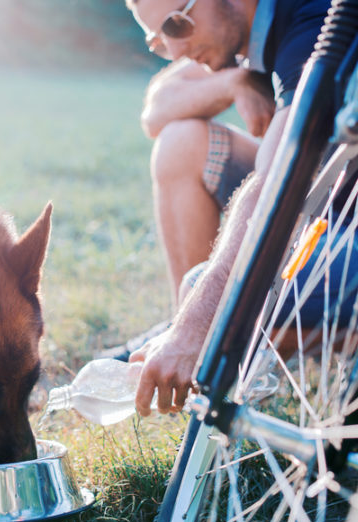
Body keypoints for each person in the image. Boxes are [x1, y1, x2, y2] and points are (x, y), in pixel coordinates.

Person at [124, 0, 333, 416]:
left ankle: (201, 343)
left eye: (176, 24)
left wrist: (201, 315)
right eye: (158, 40)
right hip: (315, 195)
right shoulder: (246, 36)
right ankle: (181, 345)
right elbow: (155, 110)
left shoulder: (311, 20)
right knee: (179, 141)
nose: (176, 50)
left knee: (205, 289)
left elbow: (282, 180)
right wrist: (235, 81)